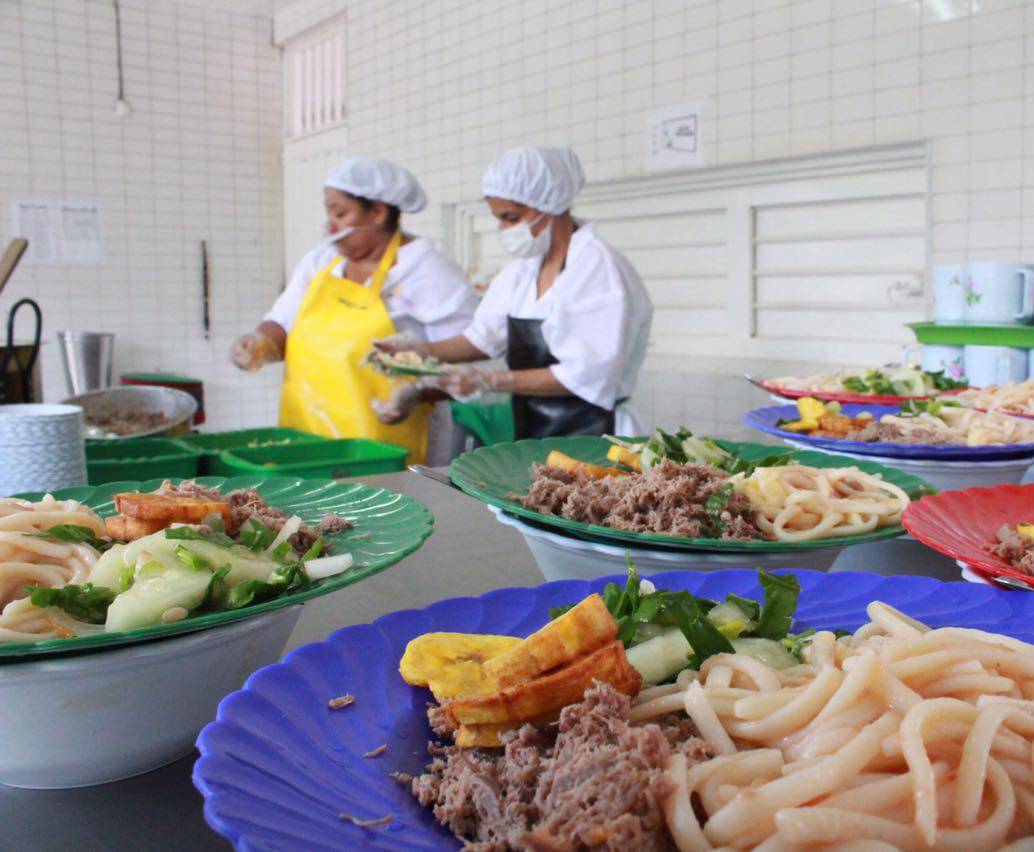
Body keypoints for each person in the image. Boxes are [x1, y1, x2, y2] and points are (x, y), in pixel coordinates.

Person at [374, 146, 653, 439]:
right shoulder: (522, 270)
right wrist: (418, 352)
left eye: (511, 217)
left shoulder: (598, 270)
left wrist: (490, 380)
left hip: (597, 433)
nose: (504, 229)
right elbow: (481, 338)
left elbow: (584, 376)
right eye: (500, 219)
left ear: (551, 204)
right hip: (535, 429)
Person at [231, 156, 477, 463]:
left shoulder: (429, 272)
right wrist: (260, 343)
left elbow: (470, 361)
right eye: (329, 212)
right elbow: (281, 322)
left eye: (340, 212)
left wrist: (418, 392)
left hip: (386, 448)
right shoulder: (321, 262)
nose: (330, 225)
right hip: (305, 439)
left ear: (377, 212)